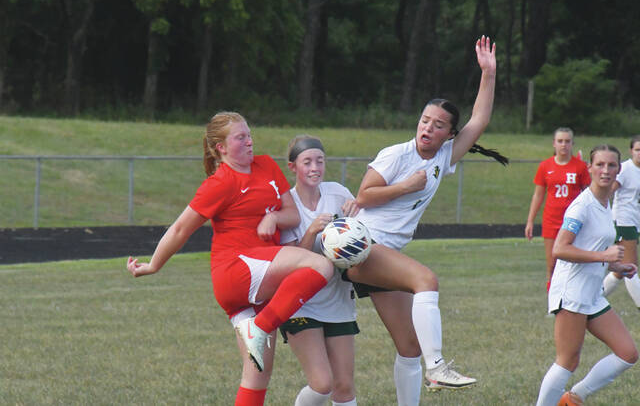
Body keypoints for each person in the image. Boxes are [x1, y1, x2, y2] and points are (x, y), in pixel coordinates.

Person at [338, 35, 507, 406]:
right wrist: (405, 186)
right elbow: (364, 196)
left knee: (408, 346)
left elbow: (479, 120)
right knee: (426, 280)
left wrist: (488, 74)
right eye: (424, 120)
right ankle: (438, 367)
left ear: (449, 133)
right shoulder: (397, 155)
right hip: (364, 245)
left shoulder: (443, 156)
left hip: (384, 252)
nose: (428, 128)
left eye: (438, 124)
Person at [126, 112, 335, 406]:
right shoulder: (220, 182)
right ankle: (259, 327)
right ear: (221, 148)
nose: (250, 141)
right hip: (236, 270)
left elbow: (293, 215)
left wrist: (273, 217)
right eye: (240, 137)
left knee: (256, 375)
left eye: (249, 135)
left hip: (262, 278)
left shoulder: (265, 165)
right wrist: (154, 265)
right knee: (321, 264)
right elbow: (180, 228)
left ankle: (257, 328)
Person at [535, 144, 638, 406]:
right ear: (589, 168)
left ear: (619, 169)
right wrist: (604, 257)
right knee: (568, 361)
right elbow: (560, 248)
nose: (606, 170)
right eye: (600, 165)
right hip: (571, 292)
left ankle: (573, 398)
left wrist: (616, 267)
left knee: (627, 353)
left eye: (611, 165)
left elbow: (591, 248)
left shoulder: (605, 204)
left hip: (592, 293)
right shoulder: (581, 206)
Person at [279, 135, 360, 406]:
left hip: (338, 300)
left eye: (320, 161)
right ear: (293, 167)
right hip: (301, 304)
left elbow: (361, 236)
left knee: (344, 385)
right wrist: (312, 230)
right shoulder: (286, 204)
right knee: (322, 384)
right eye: (307, 162)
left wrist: (356, 216)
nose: (315, 168)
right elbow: (289, 262)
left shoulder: (338, 193)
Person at [525, 127, 590, 292]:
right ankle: (553, 303)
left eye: (567, 141)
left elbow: (589, 194)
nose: (564, 145)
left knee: (575, 263)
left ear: (572, 144)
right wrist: (530, 221)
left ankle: (573, 299)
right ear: (554, 143)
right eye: (560, 141)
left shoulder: (580, 167)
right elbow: (538, 195)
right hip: (551, 221)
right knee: (552, 264)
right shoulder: (545, 166)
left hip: (574, 222)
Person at [602, 135, 640, 307]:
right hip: (624, 219)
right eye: (638, 150)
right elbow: (609, 190)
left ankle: (592, 297)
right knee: (631, 266)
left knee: (620, 271)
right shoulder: (625, 169)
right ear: (631, 151)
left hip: (635, 221)